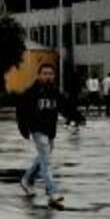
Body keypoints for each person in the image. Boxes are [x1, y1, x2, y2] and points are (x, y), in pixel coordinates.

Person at [17, 62, 67, 208]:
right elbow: (21, 111)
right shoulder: (31, 92)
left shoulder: (54, 92)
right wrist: (24, 129)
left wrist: (77, 117)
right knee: (46, 161)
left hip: (50, 130)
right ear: (39, 75)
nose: (48, 76)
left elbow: (65, 106)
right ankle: (52, 192)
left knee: (42, 158)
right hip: (37, 129)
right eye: (45, 73)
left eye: (50, 73)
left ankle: (26, 180)